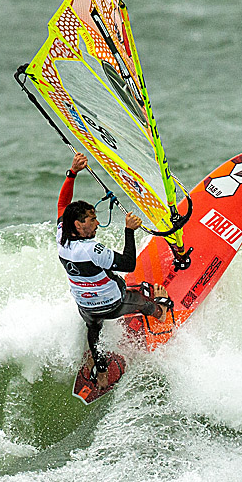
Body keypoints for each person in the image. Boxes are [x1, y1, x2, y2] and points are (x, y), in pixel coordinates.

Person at [57, 152, 171, 389]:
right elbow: (129, 264)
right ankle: (160, 310)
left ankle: (99, 367)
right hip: (112, 304)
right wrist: (129, 230)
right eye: (92, 220)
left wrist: (72, 173)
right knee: (138, 300)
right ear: (78, 225)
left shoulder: (61, 235)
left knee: (93, 326)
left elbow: (62, 205)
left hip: (84, 306)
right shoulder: (92, 249)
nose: (97, 223)